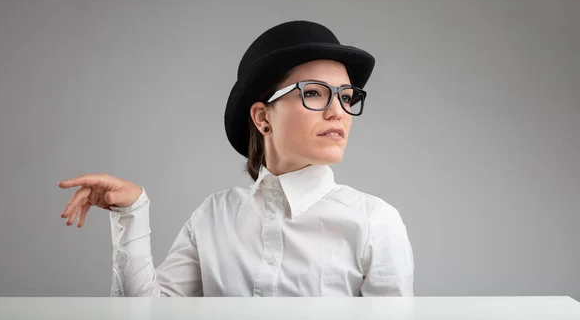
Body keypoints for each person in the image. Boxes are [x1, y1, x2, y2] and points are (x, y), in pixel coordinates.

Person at [58, 20, 415, 297]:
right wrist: (132, 213)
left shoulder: (375, 224)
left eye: (347, 97)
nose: (339, 112)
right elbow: (149, 315)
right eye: (313, 93)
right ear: (262, 118)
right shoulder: (214, 217)